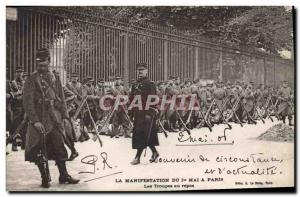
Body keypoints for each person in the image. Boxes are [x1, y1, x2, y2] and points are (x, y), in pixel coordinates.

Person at [23, 48, 79, 188]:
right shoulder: (31, 79)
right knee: (40, 149)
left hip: (55, 118)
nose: (41, 67)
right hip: (40, 119)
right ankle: (44, 177)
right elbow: (27, 102)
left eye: (44, 64)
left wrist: (65, 116)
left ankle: (63, 175)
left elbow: (62, 99)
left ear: (49, 61)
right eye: (39, 64)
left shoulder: (56, 77)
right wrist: (35, 121)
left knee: (59, 146)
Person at [129, 63, 159, 165]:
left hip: (146, 113)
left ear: (146, 71)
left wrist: (150, 113)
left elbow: (153, 99)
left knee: (142, 134)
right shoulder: (135, 84)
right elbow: (132, 99)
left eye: (142, 70)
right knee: (144, 135)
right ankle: (154, 152)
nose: (140, 72)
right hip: (138, 113)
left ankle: (137, 157)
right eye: (138, 70)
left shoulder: (150, 84)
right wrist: (131, 113)